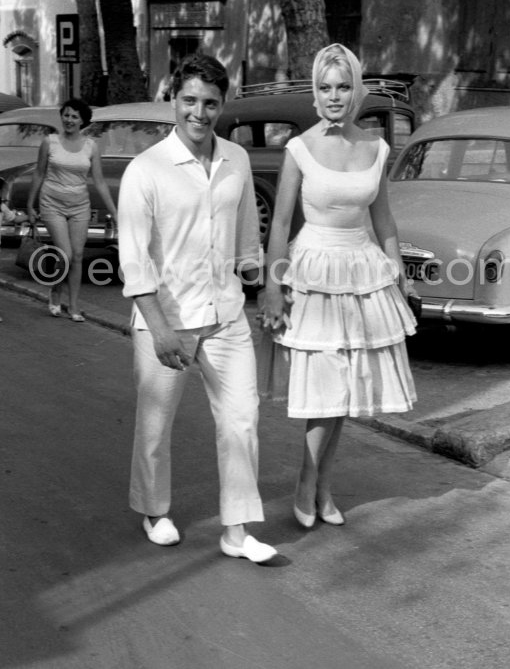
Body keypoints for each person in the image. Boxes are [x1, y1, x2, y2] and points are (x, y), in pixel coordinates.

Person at [117, 53, 277, 564]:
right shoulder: (146, 171)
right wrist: (160, 329)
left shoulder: (237, 160)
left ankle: (237, 530)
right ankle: (153, 508)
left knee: (241, 420)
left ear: (222, 104)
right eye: (189, 100)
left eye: (210, 103)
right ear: (173, 101)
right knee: (155, 425)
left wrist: (267, 288)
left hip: (226, 314)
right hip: (167, 320)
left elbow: (248, 239)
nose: (199, 112)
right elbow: (135, 261)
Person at [261, 43, 418, 529]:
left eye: (343, 86)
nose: (334, 96)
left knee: (345, 390)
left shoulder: (376, 147)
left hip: (363, 271)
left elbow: (384, 219)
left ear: (356, 90)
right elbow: (281, 222)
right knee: (325, 387)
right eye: (325, 87)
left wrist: (399, 274)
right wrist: (271, 285)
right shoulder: (299, 148)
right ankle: (308, 482)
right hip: (313, 273)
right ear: (315, 91)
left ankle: (323, 486)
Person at [26, 98, 118, 321]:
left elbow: (100, 182)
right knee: (65, 254)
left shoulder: (91, 146)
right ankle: (56, 290)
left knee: (77, 256)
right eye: (66, 115)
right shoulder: (50, 142)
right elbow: (39, 173)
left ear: (82, 121)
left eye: (74, 116)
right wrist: (30, 204)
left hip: (79, 206)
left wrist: (115, 213)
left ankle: (74, 306)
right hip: (52, 203)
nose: (69, 120)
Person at [0, 180, 28, 322]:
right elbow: (16, 219)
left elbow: (14, 218)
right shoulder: (2, 206)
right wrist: (29, 217)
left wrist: (28, 217)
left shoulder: (2, 207)